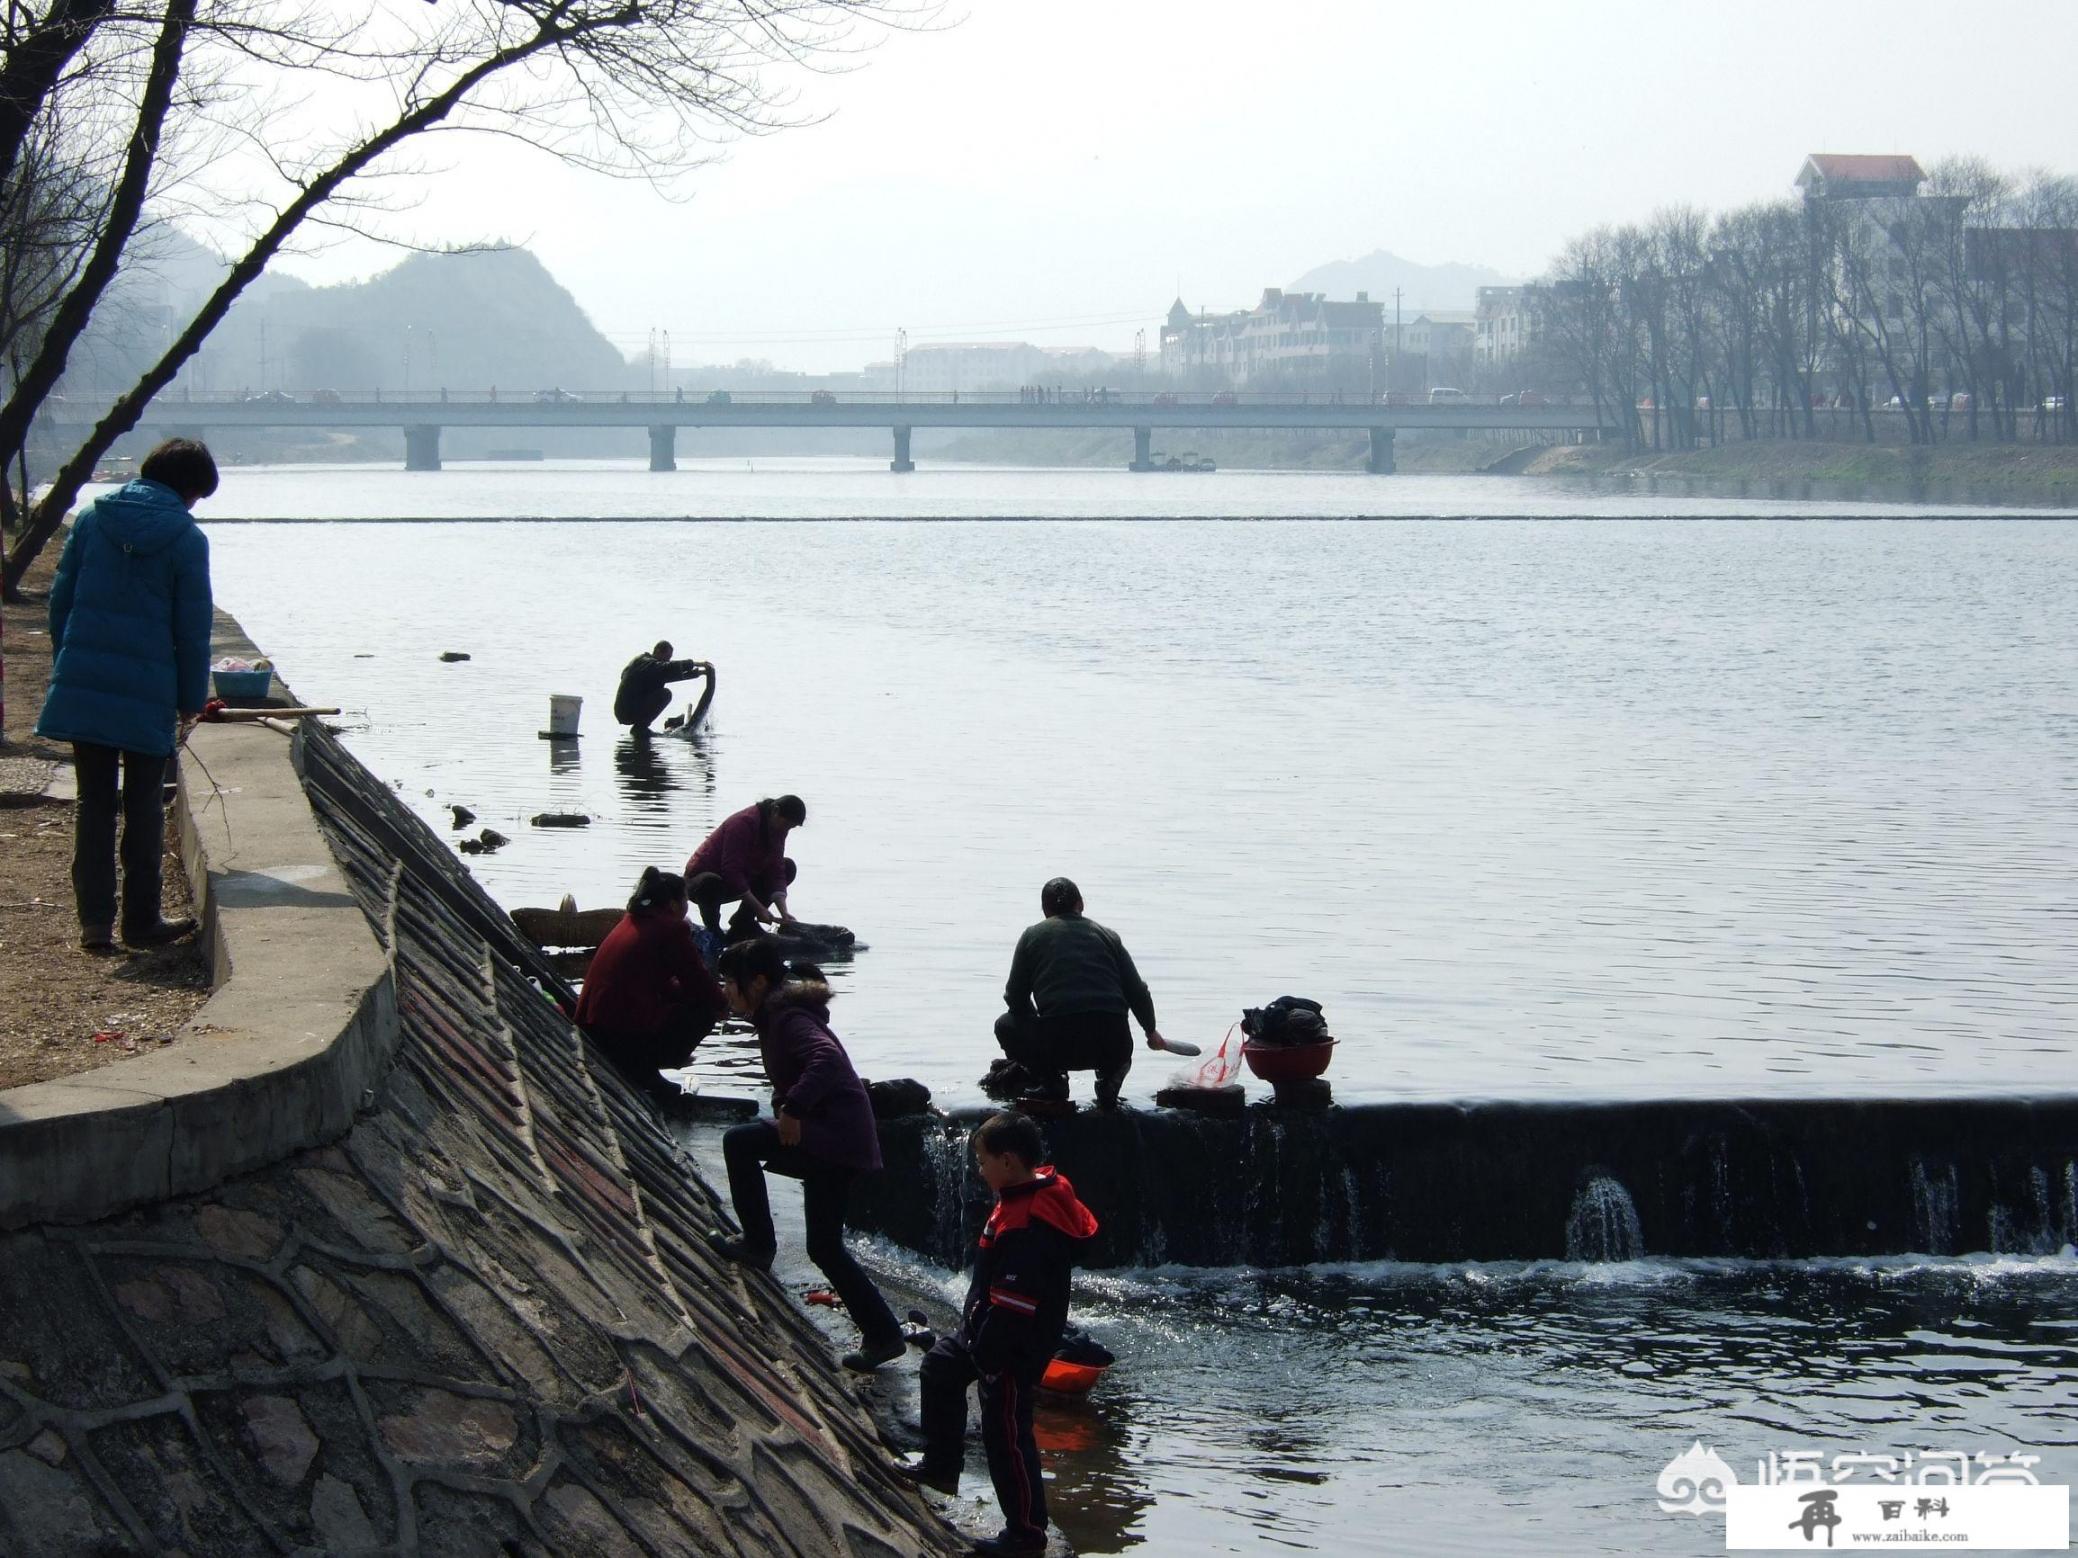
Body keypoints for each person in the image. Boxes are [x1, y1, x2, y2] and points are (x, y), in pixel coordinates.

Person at [35, 438, 217, 953]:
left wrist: (68, 663)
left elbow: (60, 602)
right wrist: (189, 698)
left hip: (86, 683)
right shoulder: (186, 537)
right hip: (148, 688)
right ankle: (141, 921)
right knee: (143, 805)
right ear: (188, 489)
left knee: (93, 803)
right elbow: (192, 628)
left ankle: (94, 924)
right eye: (197, 496)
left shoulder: (92, 519)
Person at [895, 1112, 1099, 1557]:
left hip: (1009, 1346)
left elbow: (1015, 1306)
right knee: (939, 1368)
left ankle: (1026, 1536)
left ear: (1008, 1162)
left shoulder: (1030, 1224)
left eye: (983, 1161)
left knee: (1006, 1434)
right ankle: (941, 1466)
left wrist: (989, 1361)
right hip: (984, 1328)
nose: (978, 1170)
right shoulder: (1026, 1189)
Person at [704, 937, 905, 1372]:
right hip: (833, 1137)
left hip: (834, 1139)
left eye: (730, 983)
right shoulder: (774, 1016)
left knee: (739, 1142)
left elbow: (827, 1061)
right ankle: (885, 1335)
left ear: (757, 982)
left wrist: (793, 1109)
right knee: (825, 1247)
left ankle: (758, 1245)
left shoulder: (788, 1018)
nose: (726, 991)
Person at [996, 876, 1172, 1108]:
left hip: (1059, 1045)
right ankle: (1109, 1078)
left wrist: (1037, 1021)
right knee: (1112, 1034)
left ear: (1045, 910)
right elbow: (1137, 991)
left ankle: (1052, 1082)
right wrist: (1151, 1032)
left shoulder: (1032, 936)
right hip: (1114, 1043)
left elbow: (1015, 998)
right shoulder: (1108, 936)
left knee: (1005, 1025)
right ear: (1081, 904)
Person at [574, 867, 725, 1099]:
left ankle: (644, 1066)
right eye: (685, 899)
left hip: (594, 1023)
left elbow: (658, 981)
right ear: (674, 904)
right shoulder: (671, 928)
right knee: (706, 1011)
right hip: (617, 1029)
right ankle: (645, 1068)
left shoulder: (633, 920)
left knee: (687, 999)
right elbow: (696, 980)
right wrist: (726, 1005)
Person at [684, 794, 804, 941]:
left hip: (740, 879)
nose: (786, 830)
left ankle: (743, 922)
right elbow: (731, 871)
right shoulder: (742, 823)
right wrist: (760, 909)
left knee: (787, 867)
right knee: (711, 883)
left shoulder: (778, 830)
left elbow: (776, 868)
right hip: (702, 884)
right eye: (787, 825)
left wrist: (784, 912)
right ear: (775, 811)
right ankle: (713, 930)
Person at [613, 640, 711, 734]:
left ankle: (641, 727)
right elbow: (667, 668)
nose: (667, 661)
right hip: (627, 710)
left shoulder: (651, 667)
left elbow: (668, 674)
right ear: (658, 651)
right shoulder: (644, 662)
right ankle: (641, 728)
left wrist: (697, 673)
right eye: (667, 657)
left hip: (627, 709)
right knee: (665, 694)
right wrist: (699, 664)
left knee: (662, 686)